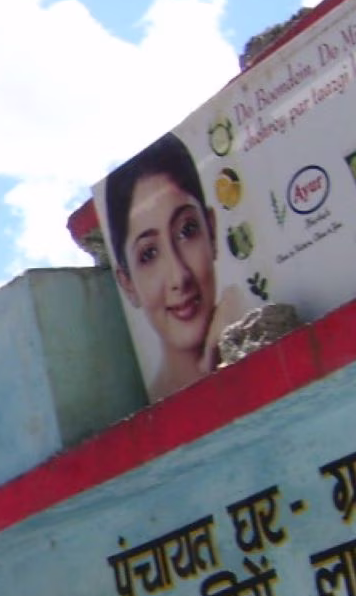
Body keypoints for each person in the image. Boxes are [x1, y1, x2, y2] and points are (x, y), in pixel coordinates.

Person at [104, 132, 248, 402]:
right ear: (127, 284)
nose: (179, 276)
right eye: (149, 254)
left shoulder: (247, 313)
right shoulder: (147, 429)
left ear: (212, 231)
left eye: (188, 230)